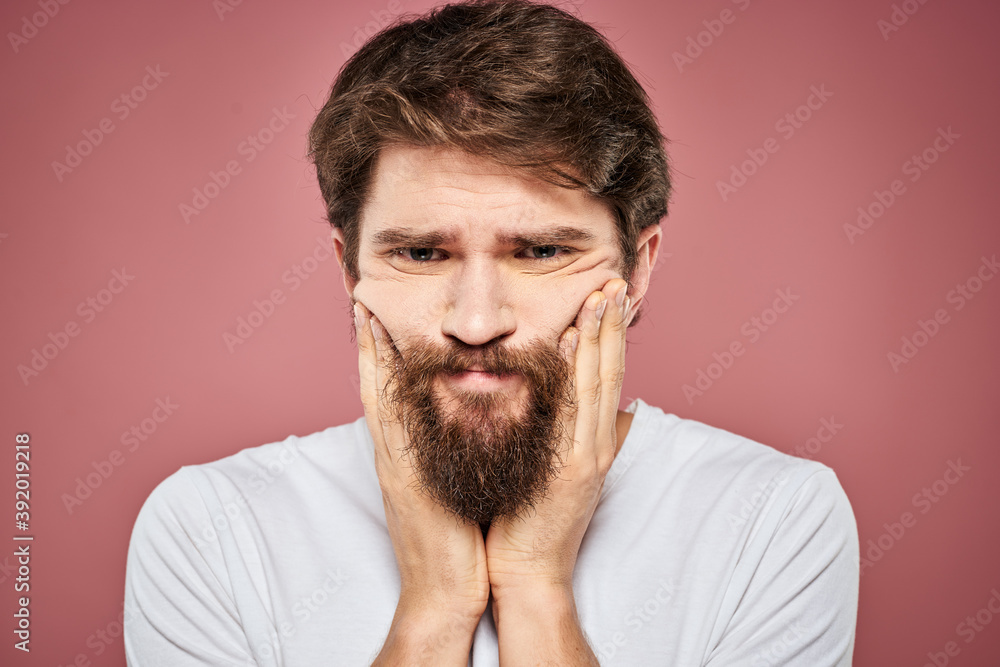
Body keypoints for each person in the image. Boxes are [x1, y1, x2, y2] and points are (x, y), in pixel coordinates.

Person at [124, 1, 859, 664]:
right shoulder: (210, 532)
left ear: (638, 271)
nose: (476, 323)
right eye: (420, 252)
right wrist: (434, 609)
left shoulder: (774, 521)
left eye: (542, 251)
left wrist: (537, 587)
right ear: (351, 273)